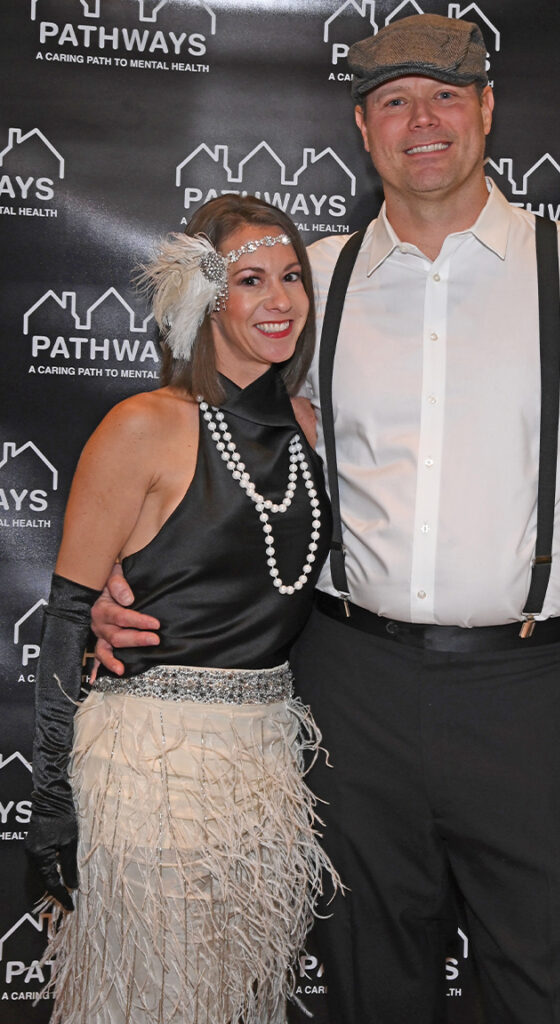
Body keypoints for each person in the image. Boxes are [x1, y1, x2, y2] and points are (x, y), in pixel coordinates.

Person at [91, 14, 560, 1024]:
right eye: (395, 101)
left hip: (529, 694)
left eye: (446, 95)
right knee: (370, 989)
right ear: (363, 128)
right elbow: (216, 436)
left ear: (487, 109)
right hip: (348, 691)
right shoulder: (309, 279)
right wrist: (129, 573)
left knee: (549, 990)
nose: (424, 121)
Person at [25, 195, 340, 1024]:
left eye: (292, 277)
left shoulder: (313, 430)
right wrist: (51, 802)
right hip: (149, 768)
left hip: (267, 766)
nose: (280, 300)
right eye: (250, 281)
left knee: (237, 1003)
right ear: (206, 297)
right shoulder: (143, 426)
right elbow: (67, 617)